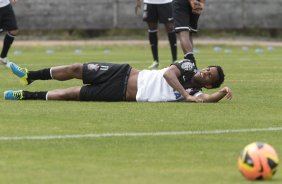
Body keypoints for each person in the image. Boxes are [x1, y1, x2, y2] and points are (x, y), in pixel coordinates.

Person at [3, 55, 232, 103]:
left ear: (209, 83)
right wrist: (184, 95)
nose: (205, 72)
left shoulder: (196, 92)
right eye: (207, 69)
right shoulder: (189, 67)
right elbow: (168, 73)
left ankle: (26, 95)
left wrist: (221, 93)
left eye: (209, 76)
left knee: (71, 94)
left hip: (122, 94)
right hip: (123, 72)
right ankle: (29, 76)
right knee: (75, 67)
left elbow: (206, 100)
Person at [135, 0, 177, 69]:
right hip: (149, 2)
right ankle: (155, 61)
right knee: (151, 28)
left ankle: (174, 60)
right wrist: (137, 2)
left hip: (166, 2)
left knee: (170, 27)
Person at [172, 0, 205, 65]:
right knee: (189, 33)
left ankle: (191, 62)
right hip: (198, 1)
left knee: (183, 32)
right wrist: (202, 3)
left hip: (182, 2)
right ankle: (189, 62)